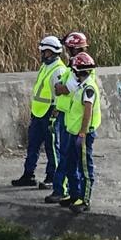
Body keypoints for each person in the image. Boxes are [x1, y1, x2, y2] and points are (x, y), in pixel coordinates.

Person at [11, 36, 66, 190]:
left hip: (49, 114)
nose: (42, 54)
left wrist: (54, 116)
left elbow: (59, 96)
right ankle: (28, 175)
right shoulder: (45, 67)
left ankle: (52, 177)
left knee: (52, 147)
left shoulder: (58, 70)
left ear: (52, 52)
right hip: (38, 113)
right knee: (33, 146)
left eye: (44, 51)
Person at [45, 31, 89, 205]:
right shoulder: (74, 64)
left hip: (73, 119)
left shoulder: (82, 65)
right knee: (68, 157)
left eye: (68, 48)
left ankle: (63, 191)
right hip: (67, 114)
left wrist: (60, 87)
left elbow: (66, 88)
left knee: (69, 157)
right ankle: (71, 192)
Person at [63, 52, 101, 214]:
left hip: (82, 134)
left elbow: (87, 112)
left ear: (79, 71)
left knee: (85, 168)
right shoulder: (82, 86)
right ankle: (74, 194)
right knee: (71, 164)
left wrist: (83, 133)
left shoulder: (89, 88)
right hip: (74, 132)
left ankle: (85, 200)